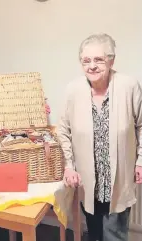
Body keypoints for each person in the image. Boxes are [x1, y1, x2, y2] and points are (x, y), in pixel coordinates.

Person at [57, 33, 142, 241]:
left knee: (115, 235)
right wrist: (69, 164)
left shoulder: (128, 86)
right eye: (86, 61)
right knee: (93, 233)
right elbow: (63, 129)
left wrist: (141, 160)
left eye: (98, 59)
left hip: (119, 180)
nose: (92, 66)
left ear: (111, 60)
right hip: (88, 182)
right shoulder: (73, 90)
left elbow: (141, 125)